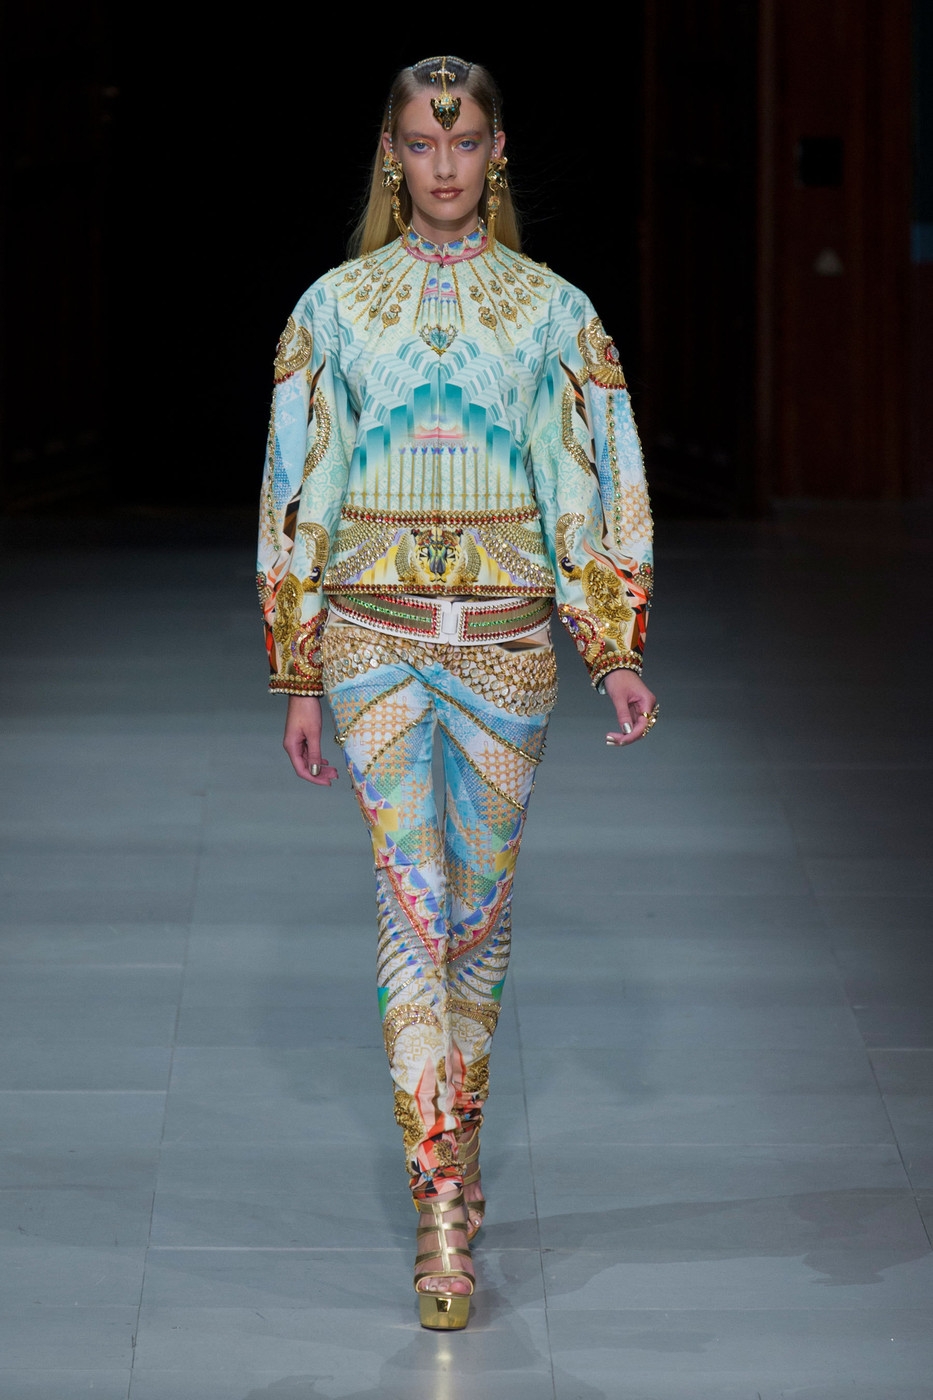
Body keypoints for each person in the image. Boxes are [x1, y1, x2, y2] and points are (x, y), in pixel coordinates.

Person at [256, 55, 658, 1331]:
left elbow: (590, 477)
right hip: (371, 640)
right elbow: (299, 485)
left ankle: (459, 1141)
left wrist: (614, 643)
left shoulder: (551, 311)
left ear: (497, 152)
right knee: (413, 902)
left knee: (475, 916)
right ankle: (439, 1200)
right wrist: (298, 661)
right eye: (424, 145)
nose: (445, 164)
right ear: (392, 154)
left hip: (506, 643)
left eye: (466, 141)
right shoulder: (333, 310)